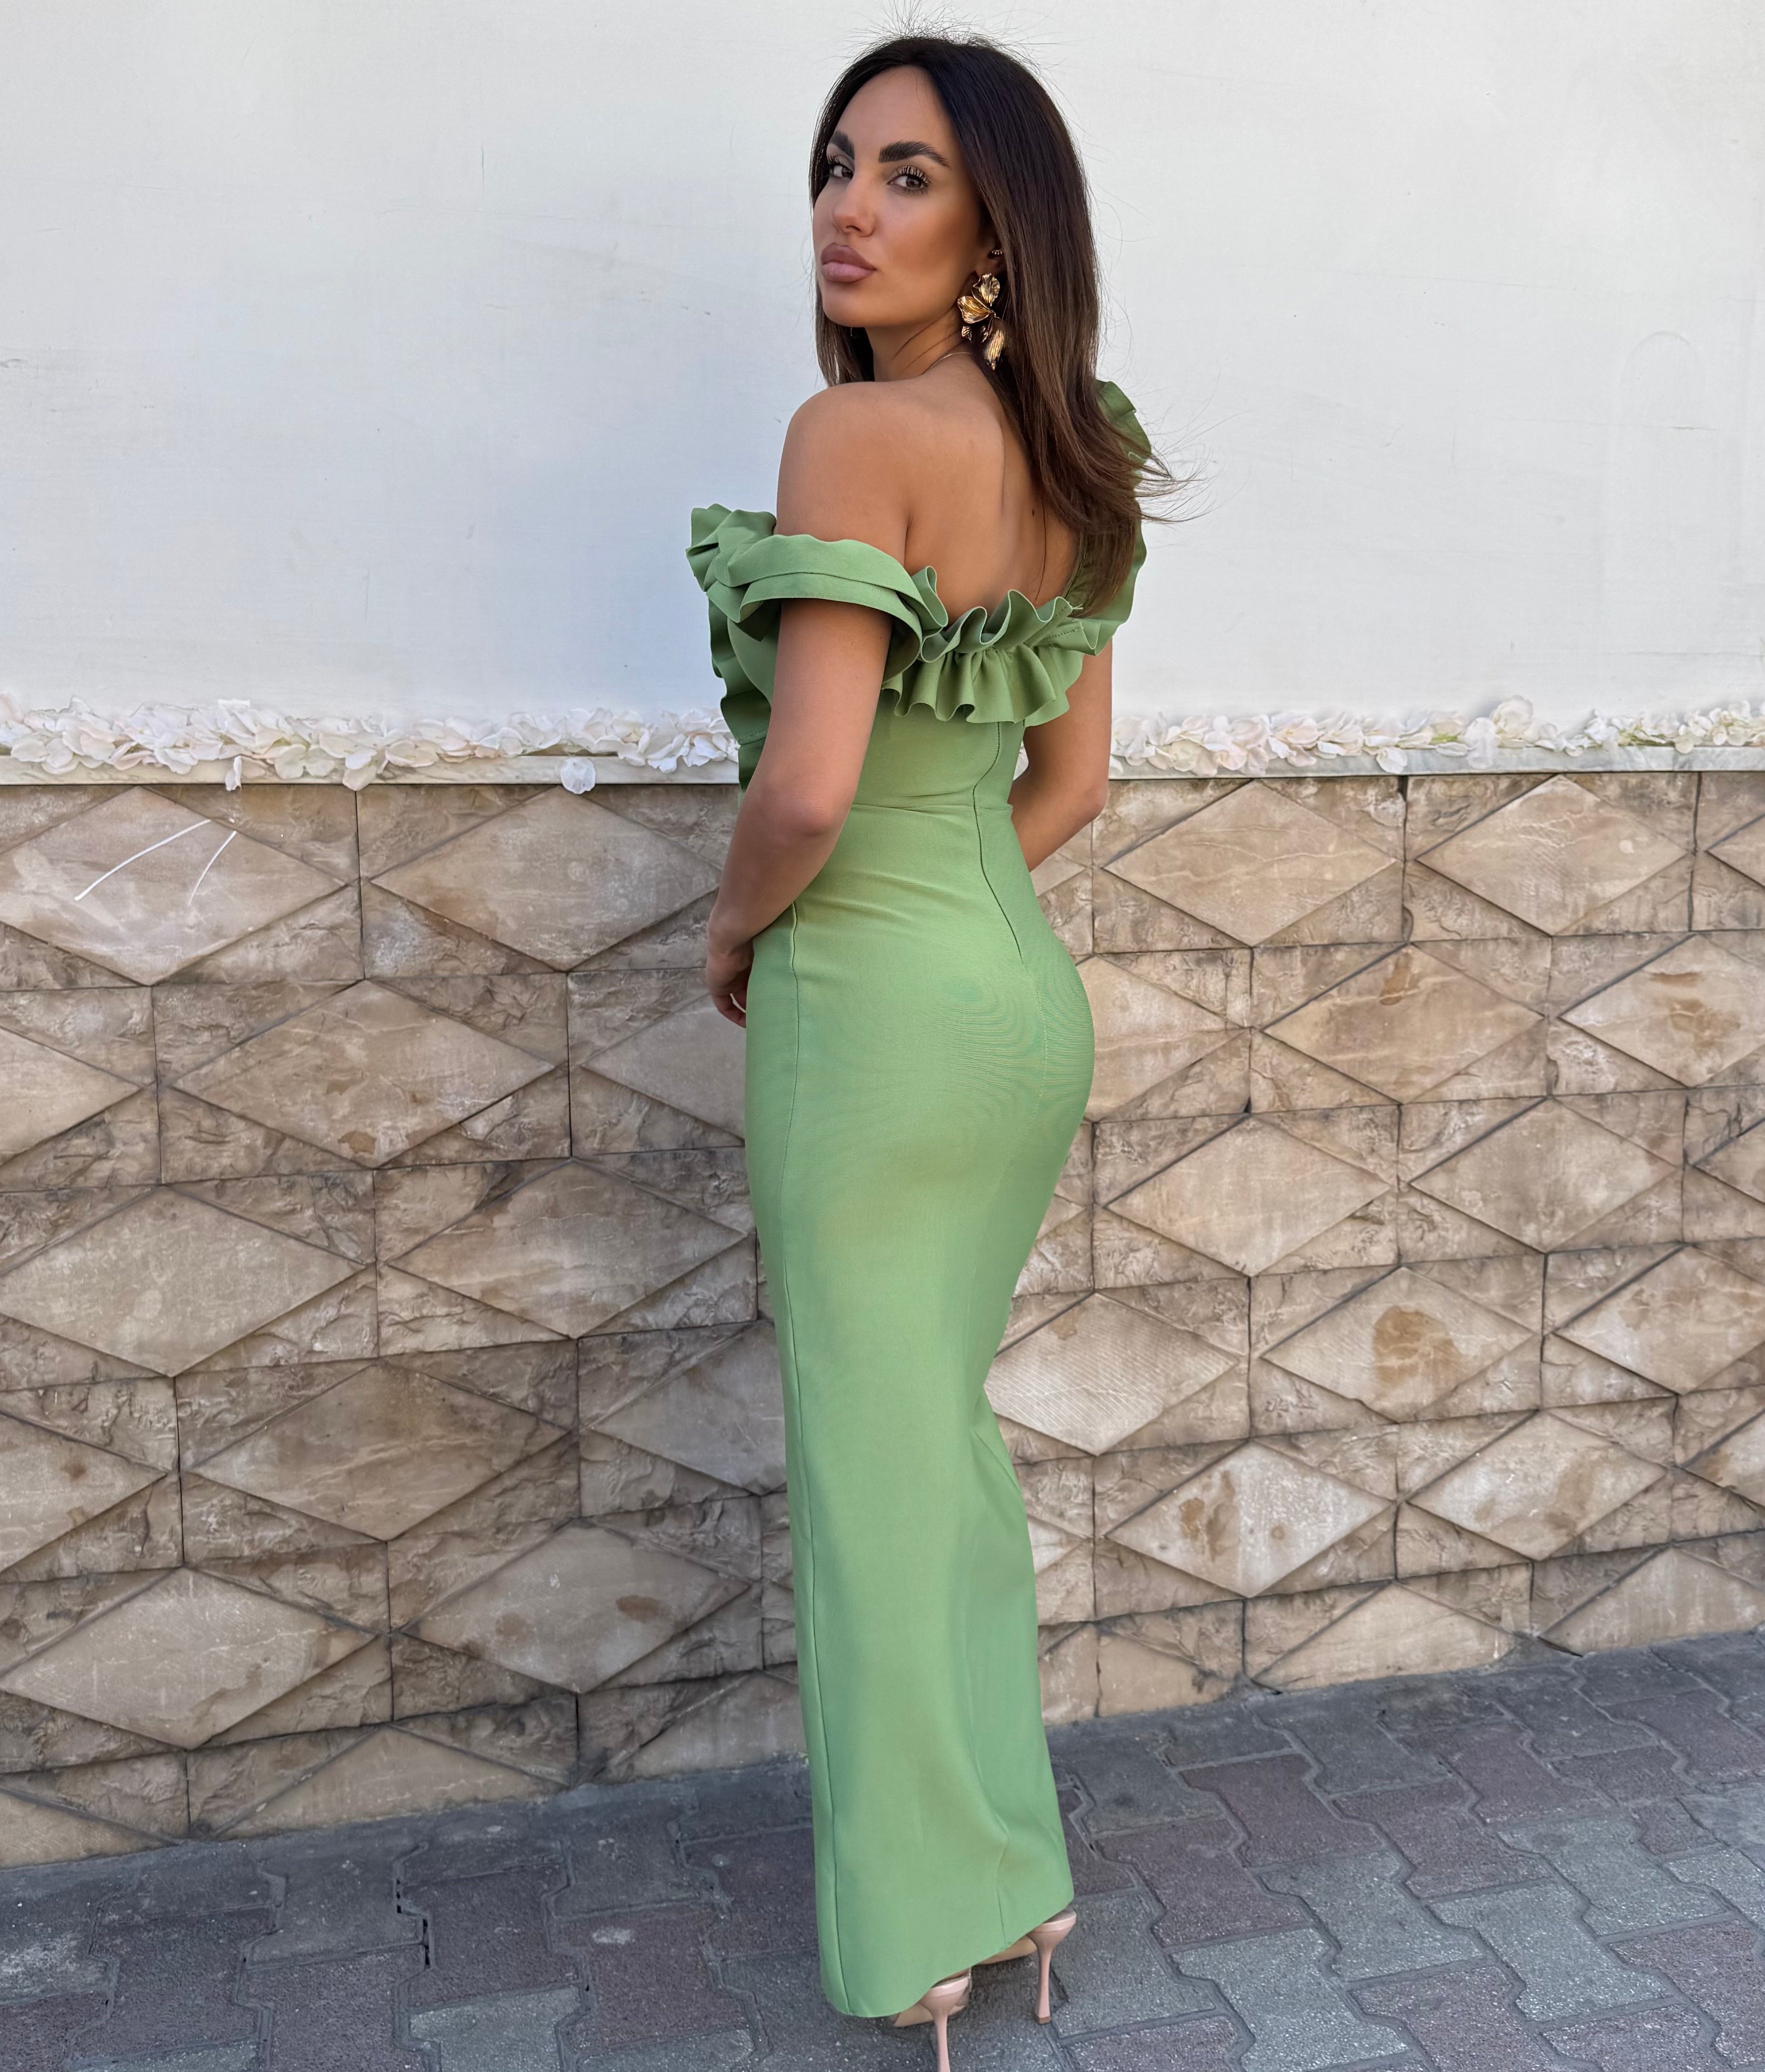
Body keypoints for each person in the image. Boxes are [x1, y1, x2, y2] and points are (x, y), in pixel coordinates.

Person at [686, 30, 1167, 2062]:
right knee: (939, 1448)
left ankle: (919, 1929)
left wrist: (738, 932)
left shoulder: (851, 435)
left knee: (870, 1470)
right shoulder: (1074, 460)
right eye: (836, 163)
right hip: (1009, 996)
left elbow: (805, 790)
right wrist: (943, 906)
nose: (847, 206)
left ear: (994, 232)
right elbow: (1071, 784)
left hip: (870, 1012)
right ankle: (1014, 1870)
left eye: (905, 176)